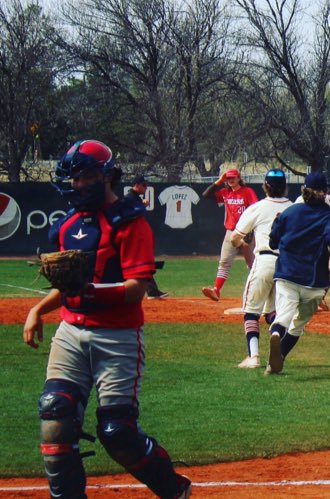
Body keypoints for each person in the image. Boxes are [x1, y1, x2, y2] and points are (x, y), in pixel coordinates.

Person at [24, 139, 191, 498]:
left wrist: (88, 292)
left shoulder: (129, 223)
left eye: (85, 177)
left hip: (117, 338)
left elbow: (136, 288)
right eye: (73, 179)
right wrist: (38, 310)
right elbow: (68, 287)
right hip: (70, 333)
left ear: (107, 177)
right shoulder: (67, 226)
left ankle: (174, 490)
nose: (78, 185)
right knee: (55, 416)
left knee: (119, 434)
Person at [264, 172, 330, 375]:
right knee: (298, 324)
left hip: (287, 274)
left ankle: (275, 332)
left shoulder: (289, 212)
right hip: (315, 281)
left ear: (304, 190)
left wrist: (278, 223)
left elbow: (273, 242)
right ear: (326, 192)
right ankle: (279, 357)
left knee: (283, 316)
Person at [229, 169, 294, 369]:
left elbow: (234, 238)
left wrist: (246, 239)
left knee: (251, 310)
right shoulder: (293, 207)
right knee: (274, 312)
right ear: (284, 186)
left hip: (265, 260)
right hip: (287, 264)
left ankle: (254, 356)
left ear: (265, 186)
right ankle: (276, 338)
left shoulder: (257, 207)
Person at [201, 168, 259, 301]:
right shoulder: (225, 192)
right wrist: (219, 181)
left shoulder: (247, 191)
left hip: (245, 231)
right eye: (228, 178)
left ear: (239, 178)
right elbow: (206, 195)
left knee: (252, 264)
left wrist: (251, 229)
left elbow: (256, 210)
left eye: (233, 177)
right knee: (224, 262)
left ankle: (255, 292)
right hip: (231, 231)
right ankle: (216, 290)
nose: (231, 180)